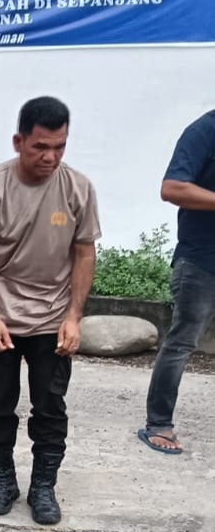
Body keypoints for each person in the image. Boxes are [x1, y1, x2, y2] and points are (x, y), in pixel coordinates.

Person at [0, 96, 100, 526]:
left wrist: (74, 317)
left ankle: (44, 486)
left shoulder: (78, 188)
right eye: (41, 146)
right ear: (18, 141)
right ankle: (2, 481)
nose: (50, 157)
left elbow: (84, 254)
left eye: (59, 147)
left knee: (50, 407)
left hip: (53, 319)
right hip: (1, 317)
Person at [138, 110, 215, 455]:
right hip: (202, 260)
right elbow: (172, 188)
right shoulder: (204, 131)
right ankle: (158, 423)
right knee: (182, 342)